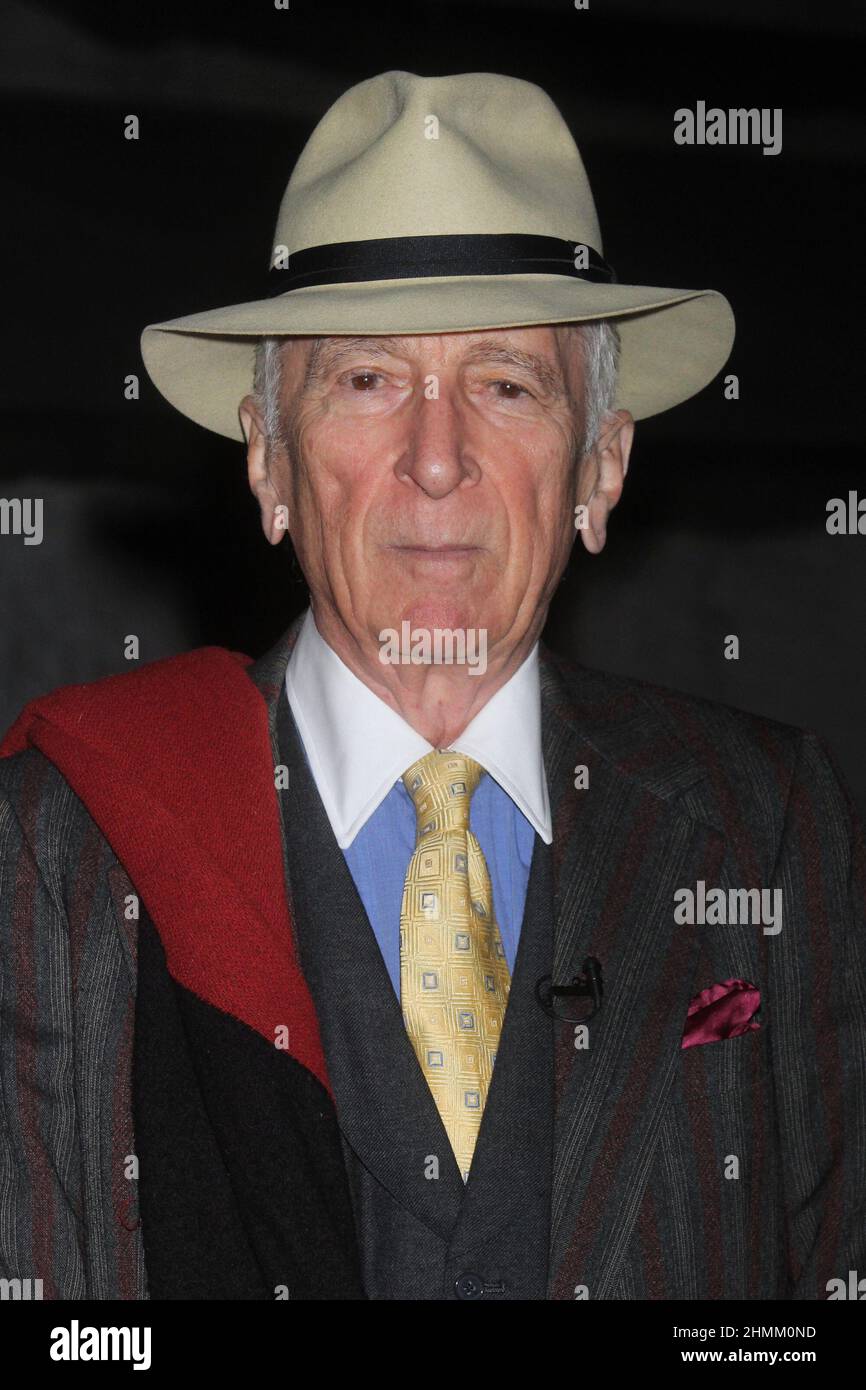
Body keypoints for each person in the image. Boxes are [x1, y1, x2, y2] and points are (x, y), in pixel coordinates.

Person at [1, 69, 864, 1301]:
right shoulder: (58, 848)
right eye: (365, 380)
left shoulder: (771, 822)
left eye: (506, 384)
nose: (437, 457)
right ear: (267, 459)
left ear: (601, 467)